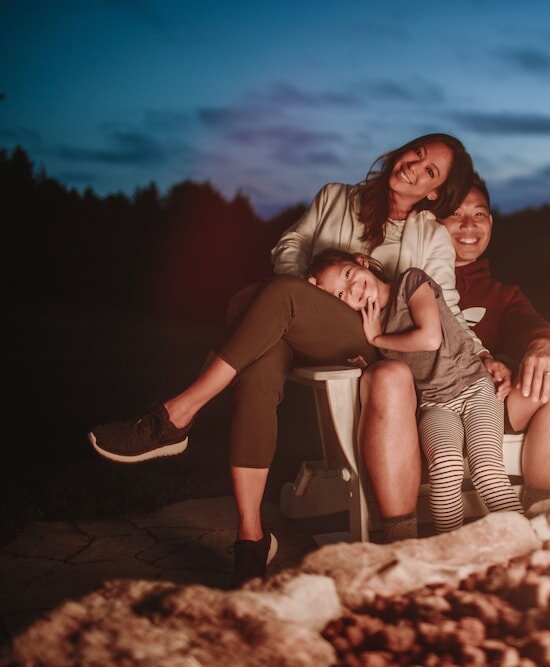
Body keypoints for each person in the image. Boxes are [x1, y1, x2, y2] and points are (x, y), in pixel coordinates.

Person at [89, 133, 477, 587]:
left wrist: (484, 357)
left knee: (252, 302)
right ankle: (251, 540)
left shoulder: (429, 235)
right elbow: (289, 247)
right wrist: (305, 290)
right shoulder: (335, 197)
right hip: (296, 326)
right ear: (401, 150)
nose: (414, 165)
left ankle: (177, 415)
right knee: (259, 362)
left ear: (433, 192)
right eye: (417, 152)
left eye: (430, 170)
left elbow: (443, 306)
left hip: (369, 338)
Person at [307, 249, 523, 532]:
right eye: (339, 295)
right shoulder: (366, 328)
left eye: (348, 275)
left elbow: (431, 338)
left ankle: (532, 542)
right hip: (434, 405)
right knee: (445, 468)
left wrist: (378, 338)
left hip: (474, 387)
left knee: (485, 470)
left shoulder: (410, 282)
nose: (352, 289)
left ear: (362, 261)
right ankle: (451, 554)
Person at [441, 175, 550, 509]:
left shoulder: (502, 295)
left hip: (490, 406)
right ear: (433, 223)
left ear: (490, 223)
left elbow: (527, 323)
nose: (469, 225)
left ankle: (540, 514)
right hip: (428, 409)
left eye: (479, 214)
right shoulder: (412, 285)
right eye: (455, 214)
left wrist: (542, 343)